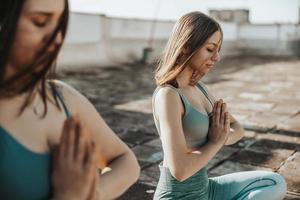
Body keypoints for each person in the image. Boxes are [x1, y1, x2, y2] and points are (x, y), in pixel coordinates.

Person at [0, 0, 140, 199]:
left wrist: (90, 194)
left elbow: (126, 162)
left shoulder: (62, 96)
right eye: (39, 22)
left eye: (60, 25)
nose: (58, 39)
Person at [152, 11, 287, 200]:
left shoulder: (200, 88)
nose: (217, 57)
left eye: (218, 50)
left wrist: (220, 135)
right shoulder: (168, 95)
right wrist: (215, 141)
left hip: (207, 189)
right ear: (185, 47)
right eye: (210, 49)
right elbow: (180, 170)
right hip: (177, 196)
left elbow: (237, 129)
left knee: (275, 182)